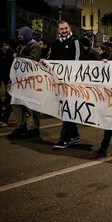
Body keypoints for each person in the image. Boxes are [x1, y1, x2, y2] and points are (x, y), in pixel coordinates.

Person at [48, 21, 82, 149]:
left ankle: (65, 138)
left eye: (66, 28)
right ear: (58, 30)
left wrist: (72, 78)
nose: (64, 30)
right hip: (59, 83)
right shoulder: (56, 44)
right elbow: (51, 59)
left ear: (70, 28)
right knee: (65, 109)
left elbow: (78, 60)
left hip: (71, 83)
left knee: (67, 108)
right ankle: (74, 135)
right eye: (61, 29)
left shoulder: (75, 41)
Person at [7, 26, 43, 138]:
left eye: (21, 35)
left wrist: (19, 56)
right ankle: (20, 126)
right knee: (15, 102)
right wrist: (10, 81)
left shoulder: (35, 46)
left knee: (30, 105)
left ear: (27, 34)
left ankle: (34, 127)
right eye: (18, 35)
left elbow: (33, 60)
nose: (19, 37)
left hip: (30, 81)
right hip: (19, 81)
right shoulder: (21, 46)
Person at [0, 39, 16, 127]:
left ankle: (4, 120)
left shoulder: (11, 55)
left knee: (8, 101)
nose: (4, 47)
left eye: (6, 45)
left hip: (11, 82)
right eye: (3, 45)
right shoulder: (5, 54)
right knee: (12, 101)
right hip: (7, 81)